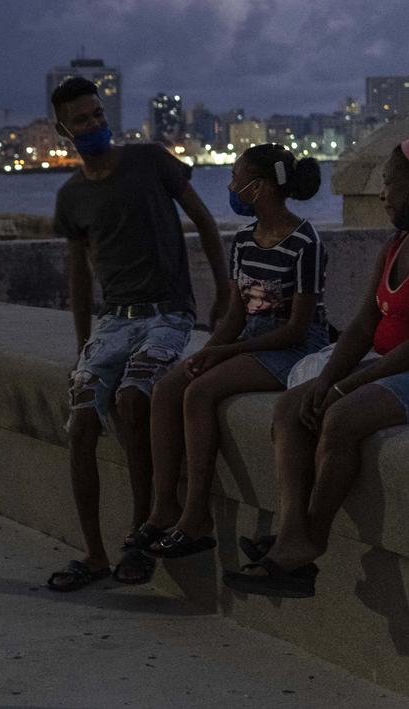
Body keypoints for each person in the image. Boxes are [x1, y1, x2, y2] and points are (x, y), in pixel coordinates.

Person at [45, 77, 229, 592]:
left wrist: (223, 291)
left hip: (167, 313)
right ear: (63, 130)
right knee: (82, 420)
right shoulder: (72, 197)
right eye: (81, 120)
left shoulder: (150, 160)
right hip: (114, 320)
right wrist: (83, 345)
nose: (93, 125)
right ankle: (94, 553)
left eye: (97, 115)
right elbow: (79, 276)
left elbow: (204, 222)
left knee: (134, 398)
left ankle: (139, 536)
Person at [223, 139, 409, 598]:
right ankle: (291, 534)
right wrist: (326, 380)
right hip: (386, 365)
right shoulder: (396, 245)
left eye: (390, 183)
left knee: (341, 417)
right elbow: (363, 325)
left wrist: (345, 388)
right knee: (293, 407)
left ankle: (309, 541)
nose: (382, 193)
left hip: (404, 368)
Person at [135, 144, 328, 559]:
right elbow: (236, 315)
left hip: (291, 348)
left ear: (259, 187)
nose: (230, 186)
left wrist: (229, 352)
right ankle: (164, 504)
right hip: (250, 340)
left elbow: (297, 328)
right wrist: (209, 351)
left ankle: (196, 516)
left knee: (200, 393)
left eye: (236, 178)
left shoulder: (305, 242)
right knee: (168, 388)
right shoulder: (243, 241)